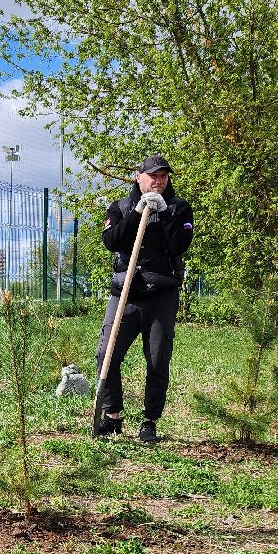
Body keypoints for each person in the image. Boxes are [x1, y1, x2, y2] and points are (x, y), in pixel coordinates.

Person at [95, 154, 194, 443]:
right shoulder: (121, 207)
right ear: (139, 177)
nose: (158, 180)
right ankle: (112, 416)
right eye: (153, 175)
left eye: (163, 176)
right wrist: (138, 214)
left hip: (161, 295)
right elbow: (112, 241)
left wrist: (162, 217)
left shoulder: (179, 209)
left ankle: (149, 421)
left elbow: (180, 245)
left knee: (157, 358)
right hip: (125, 293)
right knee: (107, 354)